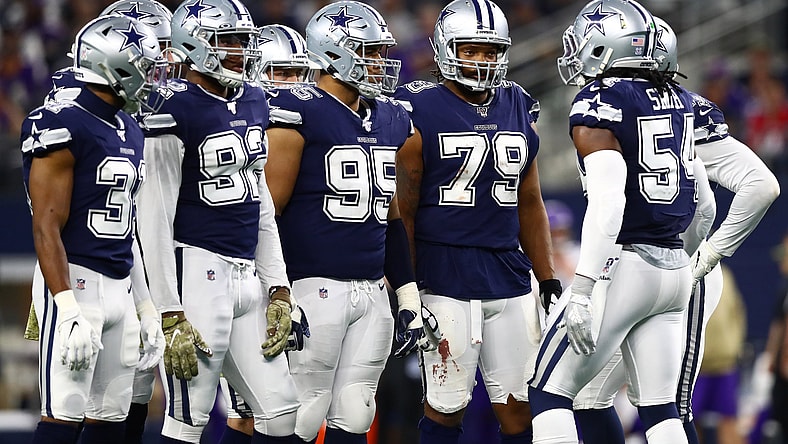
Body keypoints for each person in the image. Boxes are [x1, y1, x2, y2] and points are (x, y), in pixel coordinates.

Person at [571, 15, 781, 444]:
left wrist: (708, 255)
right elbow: (759, 184)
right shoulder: (685, 108)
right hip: (645, 265)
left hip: (669, 264)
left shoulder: (611, 106)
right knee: (590, 398)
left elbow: (761, 185)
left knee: (667, 407)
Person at [527, 1, 708, 443]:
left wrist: (584, 291)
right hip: (673, 271)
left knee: (548, 394)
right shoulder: (682, 100)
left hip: (624, 265)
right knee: (661, 411)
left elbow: (608, 205)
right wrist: (677, 260)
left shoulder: (600, 99)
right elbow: (704, 207)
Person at [263, 2, 435, 443]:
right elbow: (267, 214)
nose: (380, 63)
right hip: (310, 285)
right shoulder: (298, 111)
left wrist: (408, 293)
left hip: (372, 291)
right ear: (334, 53)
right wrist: (275, 290)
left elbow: (392, 213)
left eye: (380, 52)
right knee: (299, 414)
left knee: (357, 412)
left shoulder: (391, 116)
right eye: (369, 52)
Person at [393, 0, 562, 443]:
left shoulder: (518, 103)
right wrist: (405, 285)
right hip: (444, 272)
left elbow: (529, 200)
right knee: (446, 407)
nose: (482, 61)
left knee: (522, 409)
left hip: (507, 272)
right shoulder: (416, 106)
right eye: (471, 49)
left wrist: (546, 277)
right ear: (446, 48)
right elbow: (402, 211)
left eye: (491, 51)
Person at [134, 0, 300, 442]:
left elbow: (260, 197)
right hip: (197, 272)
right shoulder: (174, 108)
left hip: (247, 273)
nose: (239, 52)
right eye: (227, 41)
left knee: (282, 413)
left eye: (243, 42)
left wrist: (278, 284)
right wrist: (169, 311)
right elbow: (153, 218)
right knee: (189, 418)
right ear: (194, 43)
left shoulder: (254, 97)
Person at [21, 3, 175, 442]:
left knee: (111, 421)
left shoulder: (130, 126)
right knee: (63, 416)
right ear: (118, 68)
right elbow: (45, 227)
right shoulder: (63, 120)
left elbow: (131, 231)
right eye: (146, 67)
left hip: (120, 286)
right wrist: (65, 306)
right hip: (78, 282)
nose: (155, 77)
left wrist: (146, 309)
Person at [217, 23, 314, 444]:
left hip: (294, 279)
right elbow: (259, 218)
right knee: (247, 412)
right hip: (244, 280)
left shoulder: (304, 127)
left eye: (298, 74)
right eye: (281, 74)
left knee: (294, 406)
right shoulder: (245, 127)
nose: (292, 86)